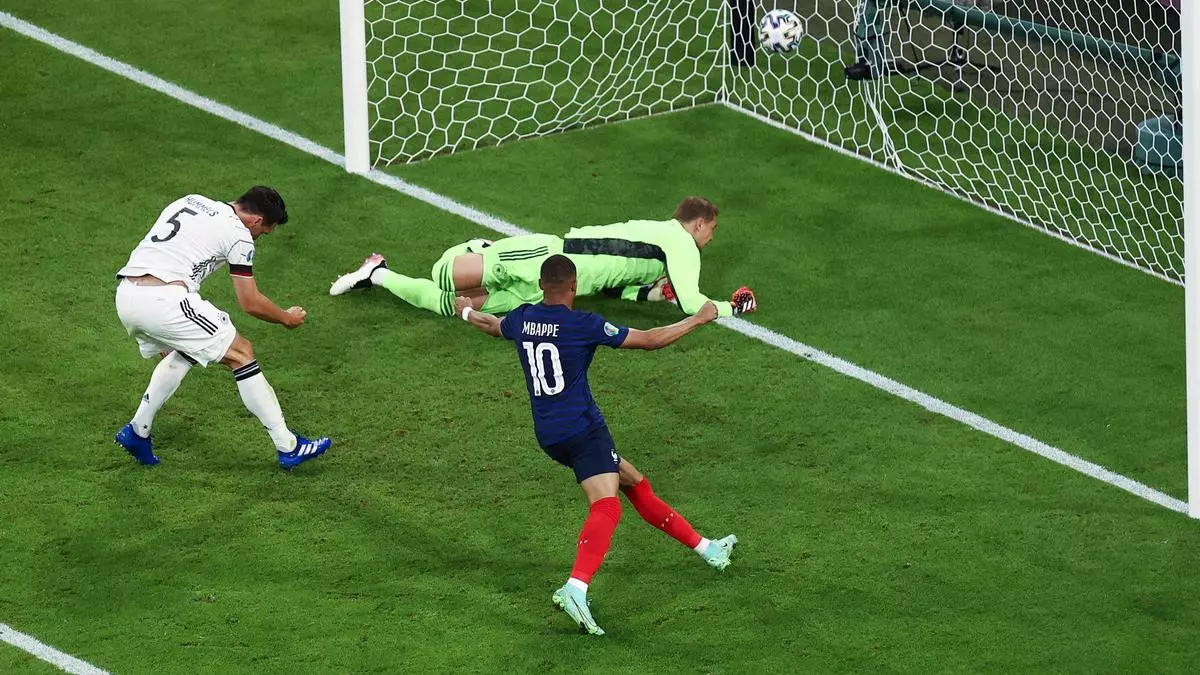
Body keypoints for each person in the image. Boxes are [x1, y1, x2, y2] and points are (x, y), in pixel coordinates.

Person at [456, 254, 737, 636]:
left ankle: (708, 549)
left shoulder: (523, 317)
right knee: (607, 504)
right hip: (584, 430)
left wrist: (466, 312)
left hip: (549, 435)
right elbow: (650, 340)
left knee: (634, 483)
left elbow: (493, 325)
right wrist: (699, 318)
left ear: (541, 286)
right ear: (574, 287)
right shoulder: (583, 324)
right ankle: (576, 587)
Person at [113, 187, 331, 469]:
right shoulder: (239, 234)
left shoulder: (191, 200)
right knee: (242, 353)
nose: (259, 237)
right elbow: (250, 302)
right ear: (256, 220)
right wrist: (286, 318)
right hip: (164, 301)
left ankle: (137, 432)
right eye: (263, 232)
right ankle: (289, 446)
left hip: (127, 294)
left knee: (187, 351)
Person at [327, 197, 758, 318]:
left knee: (453, 306)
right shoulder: (678, 243)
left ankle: (377, 274)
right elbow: (692, 304)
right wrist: (731, 307)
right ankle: (480, 247)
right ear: (697, 224)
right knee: (443, 274)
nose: (711, 239)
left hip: (551, 290)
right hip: (546, 255)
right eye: (712, 230)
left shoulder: (660, 251)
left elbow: (616, 285)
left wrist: (649, 296)